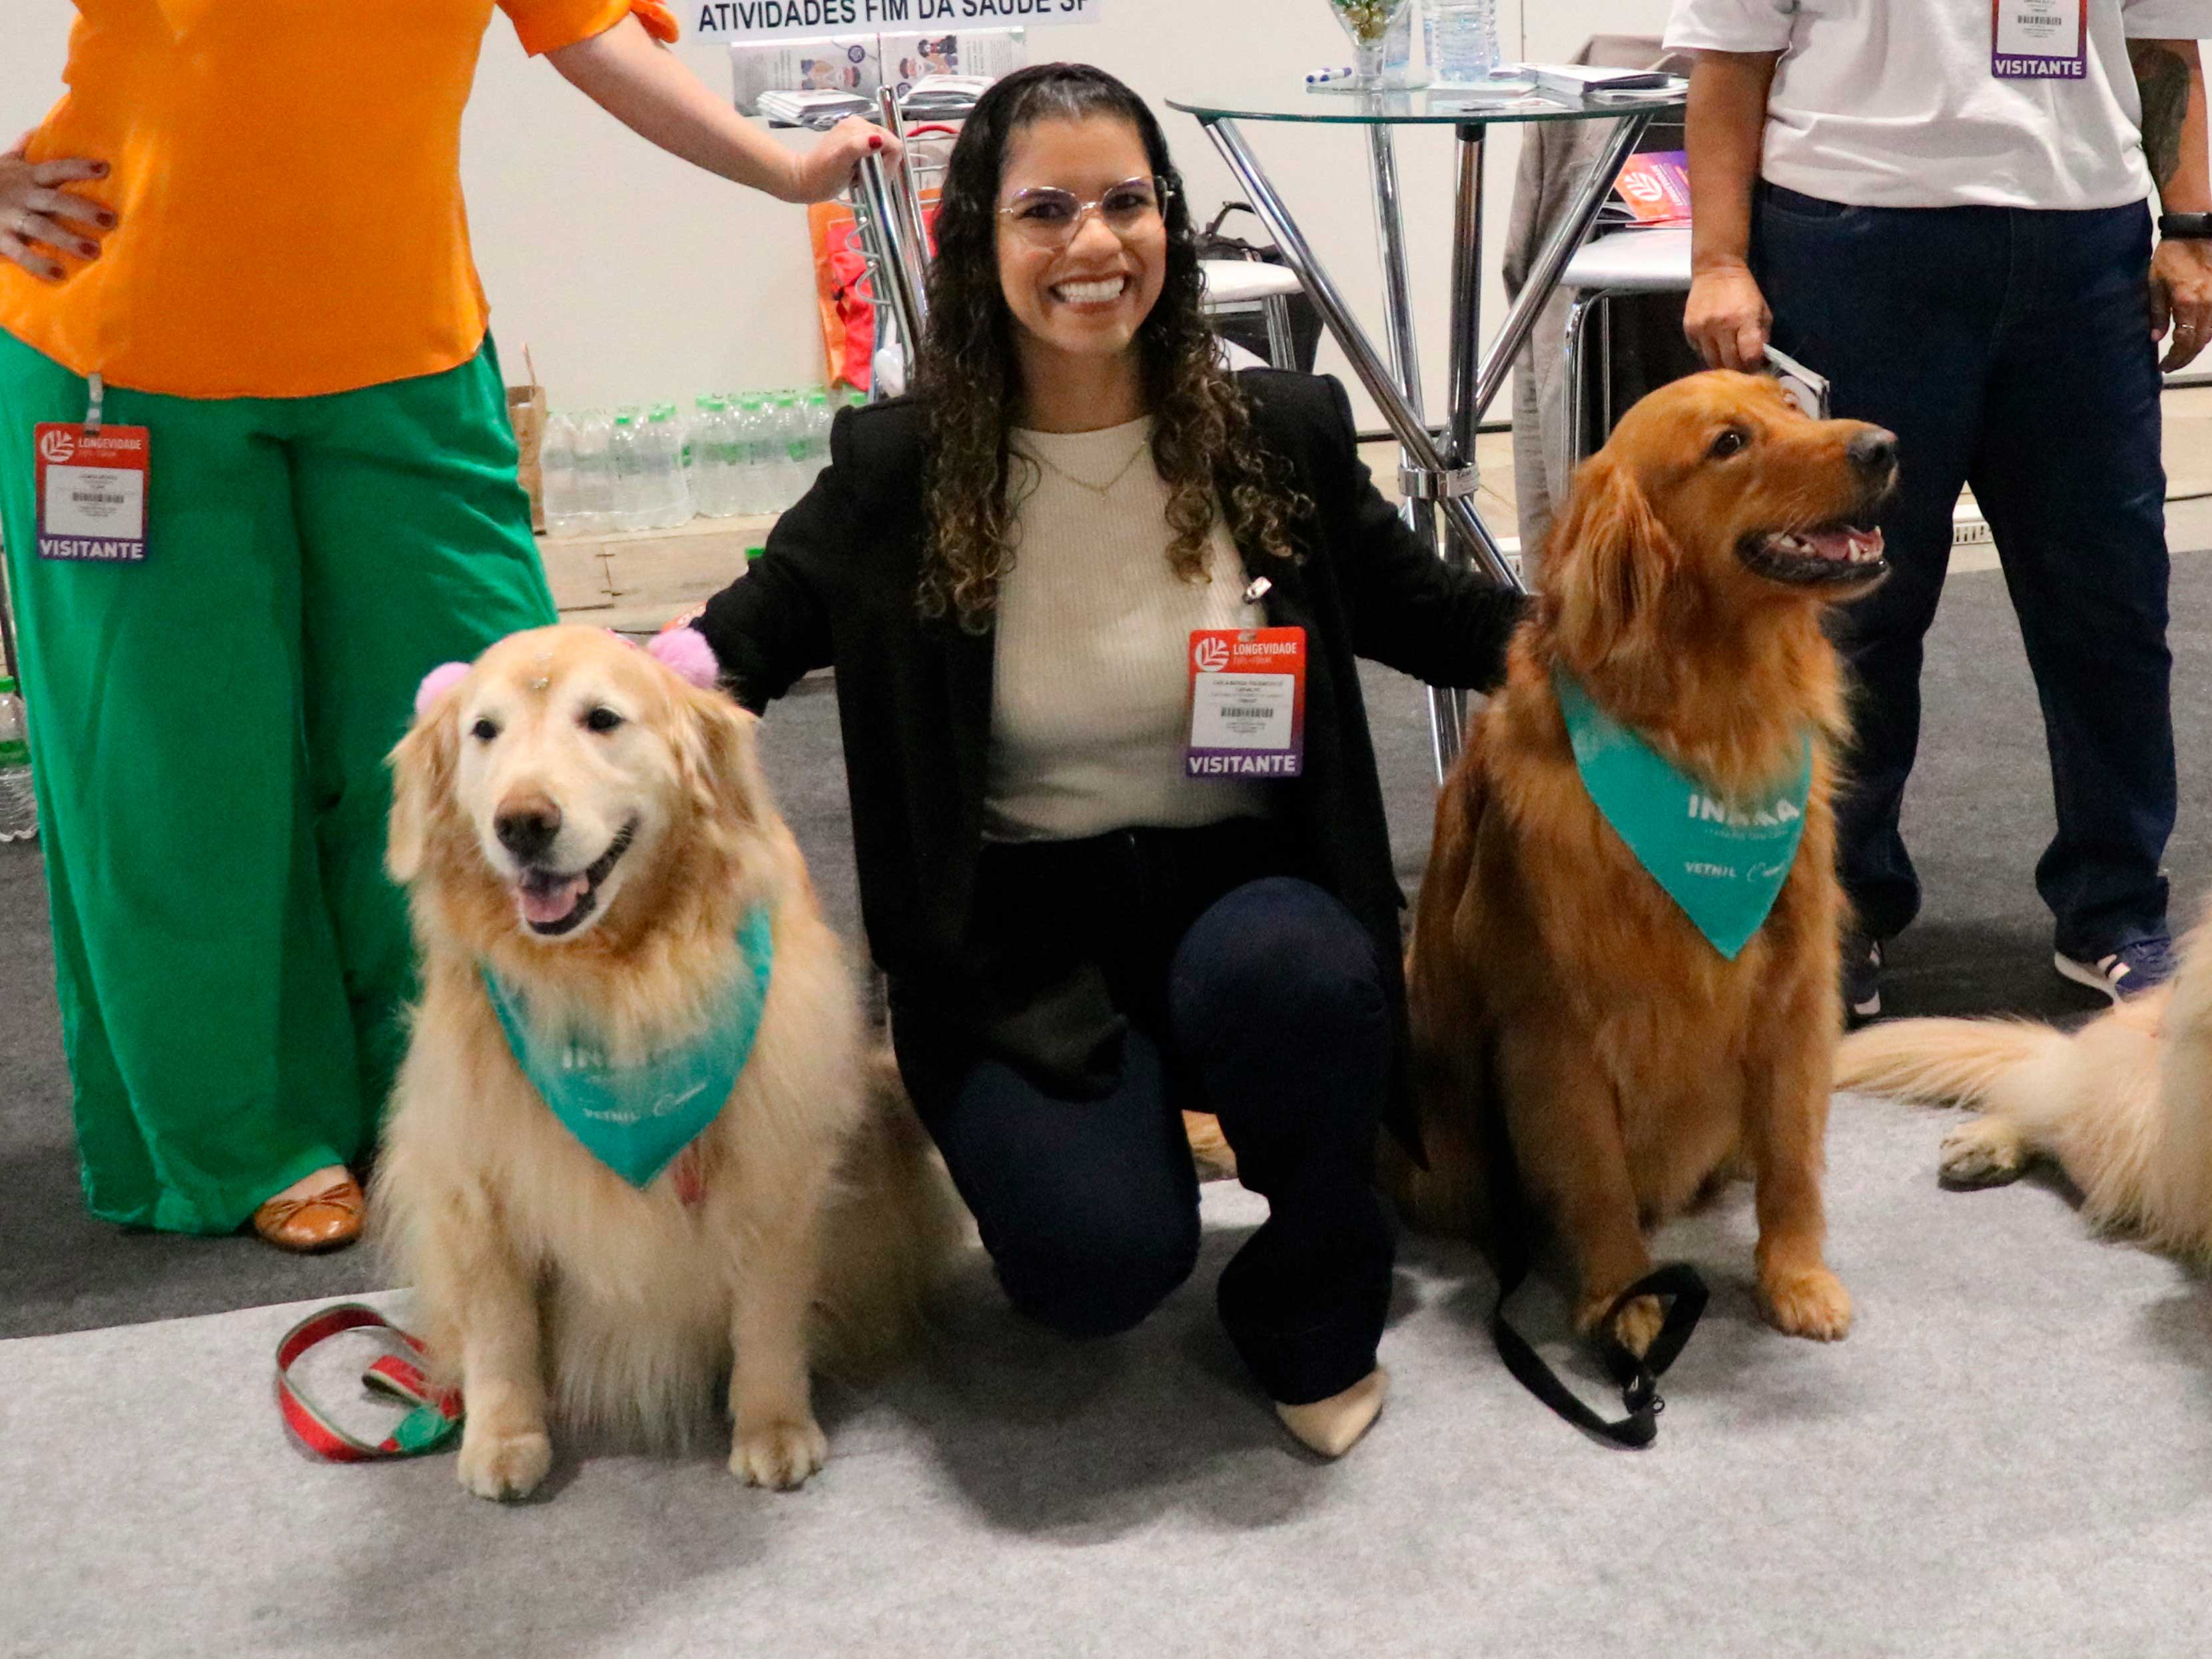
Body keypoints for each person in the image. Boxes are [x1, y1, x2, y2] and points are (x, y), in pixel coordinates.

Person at [689, 64, 1525, 1459]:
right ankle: (1083, 1138)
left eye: (1127, 204)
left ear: (1170, 225)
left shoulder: (1275, 435)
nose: (1093, 245)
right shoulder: (900, 468)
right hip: (1010, 939)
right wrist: (560, 715)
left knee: (1297, 977)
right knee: (1094, 1269)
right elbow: (735, 644)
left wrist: (1626, 657)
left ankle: (1315, 1304)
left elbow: (1435, 615)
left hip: (1240, 889)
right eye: (1046, 210)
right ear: (981, 242)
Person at [0, 3, 889, 1250]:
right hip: (118, 356)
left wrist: (786, 169)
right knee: (178, 778)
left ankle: (448, 1085)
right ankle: (244, 1135)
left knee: (484, 751)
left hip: (405, 358)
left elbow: (592, 40)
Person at [1667, 0, 2212, 1020]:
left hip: (2084, 248)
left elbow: (2161, 41)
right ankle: (1840, 908)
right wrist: (1719, 259)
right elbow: (1728, 63)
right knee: (1854, 606)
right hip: (1852, 244)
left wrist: (2188, 228)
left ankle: (2112, 911)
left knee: (2111, 605)